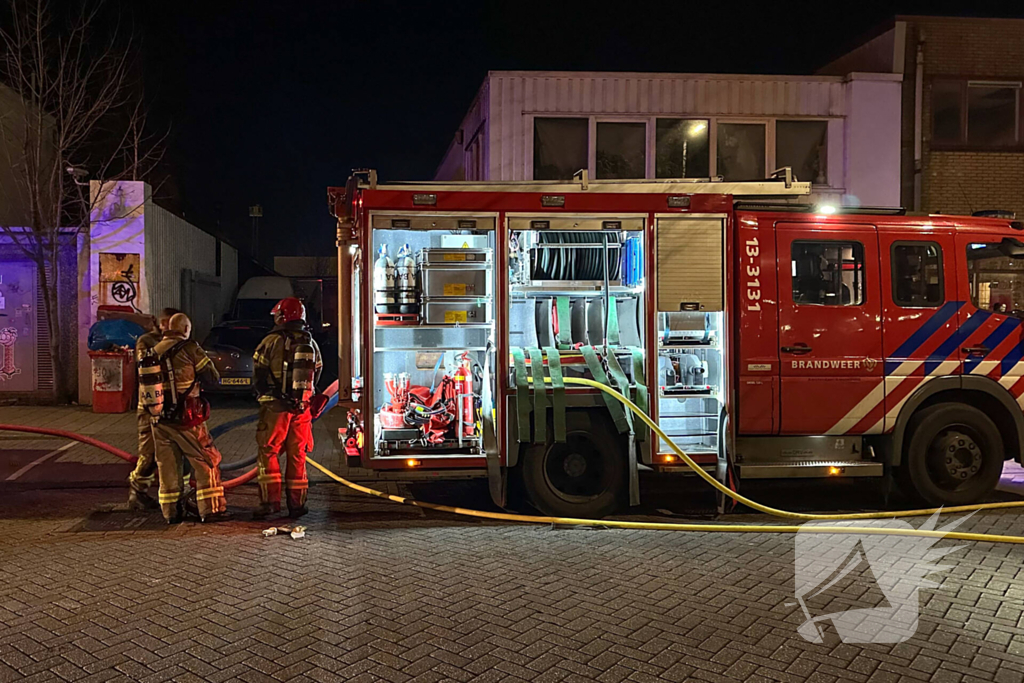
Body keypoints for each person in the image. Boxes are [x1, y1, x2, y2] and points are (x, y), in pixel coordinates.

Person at [151, 313, 231, 524]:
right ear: (186, 330)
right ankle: (212, 509)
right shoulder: (190, 348)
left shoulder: (154, 350)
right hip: (186, 419)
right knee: (207, 459)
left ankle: (171, 513)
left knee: (167, 465)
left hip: (158, 420)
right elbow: (212, 378)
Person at [252, 297, 322, 519]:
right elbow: (317, 371)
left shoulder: (270, 341)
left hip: (275, 407)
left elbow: (258, 373)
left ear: (282, 316)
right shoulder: (311, 342)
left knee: (269, 451)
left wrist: (265, 393)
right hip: (302, 408)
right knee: (297, 454)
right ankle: (297, 505)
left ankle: (270, 503)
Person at [128, 307, 181, 512]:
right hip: (150, 407)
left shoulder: (182, 342)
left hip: (174, 407)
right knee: (149, 453)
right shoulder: (147, 341)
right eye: (167, 322)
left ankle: (177, 493)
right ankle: (137, 492)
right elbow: (145, 362)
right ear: (159, 323)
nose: (170, 327)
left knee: (178, 452)